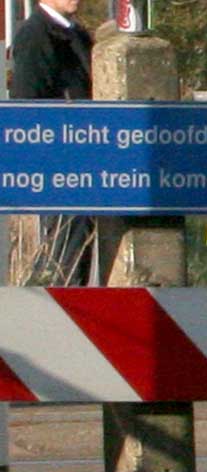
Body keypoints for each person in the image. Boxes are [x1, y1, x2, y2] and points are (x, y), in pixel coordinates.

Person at [11, 0, 93, 285]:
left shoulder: (77, 34)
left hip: (85, 162)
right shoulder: (36, 35)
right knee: (63, 259)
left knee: (77, 254)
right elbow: (27, 105)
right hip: (60, 166)